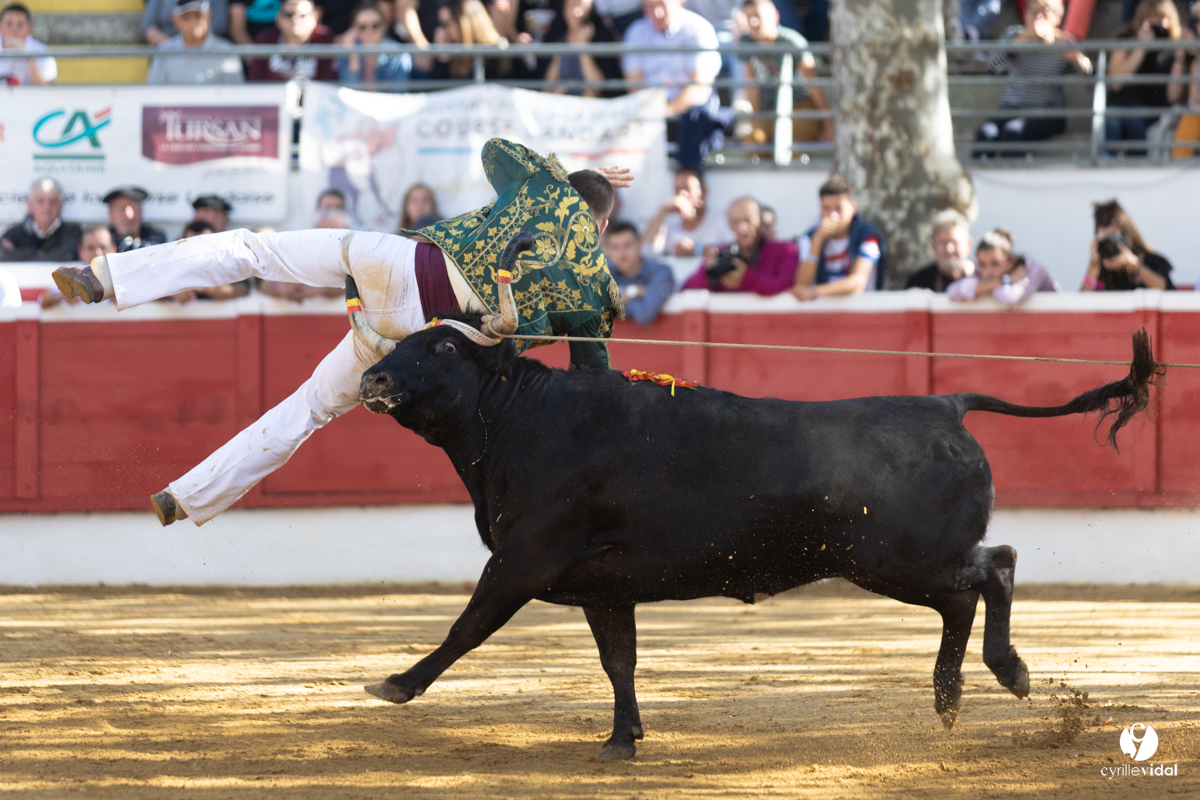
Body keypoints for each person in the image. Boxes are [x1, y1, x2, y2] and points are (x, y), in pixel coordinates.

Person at [52, 139, 632, 527]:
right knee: (307, 410)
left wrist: (568, 177)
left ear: (566, 190)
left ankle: (103, 276)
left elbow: (496, 151)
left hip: (395, 263)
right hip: (423, 341)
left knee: (253, 250)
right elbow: (594, 377)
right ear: (603, 224)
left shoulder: (542, 189)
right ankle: (185, 498)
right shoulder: (594, 285)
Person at [974, 0, 1092, 158]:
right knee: (985, 134)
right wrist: (1021, 40)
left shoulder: (1064, 42)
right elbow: (992, 65)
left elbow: (1089, 78)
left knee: (1012, 132)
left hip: (1048, 113)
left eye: (1044, 13)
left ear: (1057, 18)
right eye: (1033, 13)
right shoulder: (1014, 35)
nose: (1038, 18)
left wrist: (1078, 59)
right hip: (1011, 108)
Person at [622, 0, 729, 170]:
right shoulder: (636, 32)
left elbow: (700, 85)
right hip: (651, 111)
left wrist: (666, 111)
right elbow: (634, 85)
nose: (657, 12)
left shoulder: (699, 28)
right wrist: (655, 111)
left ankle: (688, 178)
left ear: (680, 3)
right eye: (650, 6)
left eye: (662, 5)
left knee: (696, 117)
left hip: (690, 112)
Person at [738, 0, 831, 146]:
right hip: (770, 110)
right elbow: (752, 85)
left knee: (792, 148)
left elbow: (814, 85)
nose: (753, 22)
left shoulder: (793, 41)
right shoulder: (745, 42)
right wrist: (756, 121)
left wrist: (829, 126)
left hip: (801, 107)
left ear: (775, 16)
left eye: (757, 15)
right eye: (748, 17)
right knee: (753, 144)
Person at [1106, 0, 1188, 154]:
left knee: (1134, 119)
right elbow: (1115, 83)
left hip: (1152, 110)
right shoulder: (1127, 38)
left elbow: (1173, 96)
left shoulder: (1175, 46)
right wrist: (1141, 48)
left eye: (1161, 18)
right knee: (1111, 123)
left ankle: (1139, 166)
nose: (1156, 23)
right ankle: (1105, 166)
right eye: (1151, 18)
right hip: (1120, 104)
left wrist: (1179, 57)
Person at [791, 176, 886, 300]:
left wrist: (814, 292)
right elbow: (801, 285)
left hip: (861, 315)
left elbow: (858, 283)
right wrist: (817, 242)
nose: (832, 215)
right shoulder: (810, 238)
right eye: (826, 208)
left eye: (838, 208)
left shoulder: (868, 236)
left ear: (853, 209)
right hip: (824, 317)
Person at [682, 196, 799, 295]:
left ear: (760, 220)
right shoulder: (721, 252)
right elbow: (687, 291)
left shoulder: (785, 249)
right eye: (735, 222)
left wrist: (746, 278)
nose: (742, 228)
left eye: (747, 220)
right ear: (728, 224)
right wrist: (706, 274)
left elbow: (789, 285)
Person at [947, 228, 1060, 306]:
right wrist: (1006, 279)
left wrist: (983, 287)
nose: (988, 271)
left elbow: (1008, 298)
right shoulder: (984, 272)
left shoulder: (1033, 270)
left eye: (995, 263)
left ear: (1011, 262)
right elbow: (953, 292)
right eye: (982, 264)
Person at [1081, 199, 1175, 291]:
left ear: (1127, 234)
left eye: (1113, 238)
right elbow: (1081, 303)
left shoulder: (1152, 261)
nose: (1110, 244)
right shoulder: (1099, 267)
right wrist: (1093, 266)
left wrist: (1133, 265)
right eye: (1104, 239)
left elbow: (1167, 291)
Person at [146, 0, 245, 85]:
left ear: (208, 16)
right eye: (186, 17)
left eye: (198, 16)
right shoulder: (164, 53)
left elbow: (235, 99)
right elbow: (154, 96)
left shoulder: (227, 51)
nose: (193, 23)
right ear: (175, 20)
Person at [641, 168, 732, 257]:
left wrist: (697, 250)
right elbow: (646, 252)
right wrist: (663, 210)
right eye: (677, 190)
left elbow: (736, 250)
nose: (682, 195)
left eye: (687, 189)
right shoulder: (670, 225)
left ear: (704, 191)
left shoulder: (721, 221)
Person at [543, 0, 624, 97]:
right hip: (563, 102)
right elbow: (547, 87)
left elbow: (598, 87)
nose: (577, 12)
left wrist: (583, 48)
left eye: (581, 7)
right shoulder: (558, 40)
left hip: (589, 103)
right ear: (563, 10)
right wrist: (558, 91)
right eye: (571, 6)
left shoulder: (601, 36)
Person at [602, 220, 675, 323]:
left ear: (640, 244)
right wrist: (637, 291)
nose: (622, 253)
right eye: (615, 247)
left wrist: (623, 296)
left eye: (627, 245)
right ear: (608, 250)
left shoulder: (661, 271)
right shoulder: (604, 272)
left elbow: (644, 314)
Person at [247, 0, 337, 82]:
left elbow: (329, 82)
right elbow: (256, 81)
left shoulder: (324, 38)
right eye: (289, 15)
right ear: (279, 18)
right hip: (272, 97)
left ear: (314, 18)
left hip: (314, 98)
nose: (295, 20)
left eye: (302, 15)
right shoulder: (265, 40)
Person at [0, 178, 82, 262]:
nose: (47, 207)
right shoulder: (14, 233)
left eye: (53, 201)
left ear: (61, 206)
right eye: (40, 201)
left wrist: (17, 253)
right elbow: (2, 254)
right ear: (30, 205)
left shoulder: (72, 232)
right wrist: (47, 255)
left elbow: (68, 255)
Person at [40, 226, 118, 309]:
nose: (97, 253)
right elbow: (43, 301)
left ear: (113, 250)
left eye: (103, 247)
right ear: (81, 252)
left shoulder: (123, 275)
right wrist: (61, 296)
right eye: (90, 248)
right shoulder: (70, 274)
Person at [336, 1, 412, 86]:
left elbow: (398, 93)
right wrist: (353, 57)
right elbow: (349, 92)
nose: (369, 31)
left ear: (384, 26)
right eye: (363, 26)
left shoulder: (399, 54)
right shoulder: (346, 51)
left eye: (375, 25)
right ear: (354, 28)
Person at [432, 0, 510, 79]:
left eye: (448, 23)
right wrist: (442, 57)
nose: (445, 30)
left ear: (464, 23)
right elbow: (440, 85)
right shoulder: (454, 51)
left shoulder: (494, 53)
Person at [905, 209, 975, 292]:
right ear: (933, 246)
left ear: (968, 244)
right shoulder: (918, 281)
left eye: (954, 242)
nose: (949, 249)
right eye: (943, 243)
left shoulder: (982, 275)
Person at [0, 2, 55, 85]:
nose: (14, 30)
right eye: (9, 24)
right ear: (0, 27)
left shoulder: (42, 51)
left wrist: (28, 56)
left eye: (20, 25)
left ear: (30, 30)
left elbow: (47, 90)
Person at [104, 186, 168, 253]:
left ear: (141, 211)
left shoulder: (155, 235)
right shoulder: (102, 238)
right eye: (120, 208)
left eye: (134, 207)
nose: (129, 216)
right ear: (110, 212)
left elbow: (155, 250)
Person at [143, 0, 230, 43]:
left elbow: (219, 25)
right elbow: (148, 26)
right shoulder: (168, 49)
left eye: (197, 16)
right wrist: (175, 48)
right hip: (168, 54)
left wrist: (194, 43)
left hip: (208, 50)